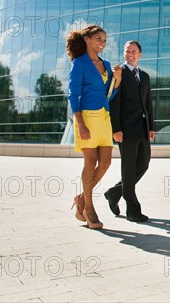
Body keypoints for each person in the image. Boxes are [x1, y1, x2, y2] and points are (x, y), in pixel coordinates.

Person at [67, 25, 122, 229]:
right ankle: (89, 207)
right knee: (90, 163)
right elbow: (73, 94)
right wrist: (79, 122)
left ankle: (80, 198)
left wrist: (117, 81)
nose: (102, 43)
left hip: (104, 117)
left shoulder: (106, 65)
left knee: (106, 162)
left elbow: (111, 95)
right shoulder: (79, 64)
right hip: (87, 118)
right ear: (87, 39)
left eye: (105, 40)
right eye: (99, 38)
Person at [104, 40, 155, 223]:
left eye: (133, 51)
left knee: (143, 164)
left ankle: (114, 192)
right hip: (125, 130)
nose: (130, 54)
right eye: (127, 51)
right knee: (128, 168)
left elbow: (148, 103)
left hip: (142, 128)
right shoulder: (118, 73)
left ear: (140, 54)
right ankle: (132, 210)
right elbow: (113, 101)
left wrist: (151, 126)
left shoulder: (145, 77)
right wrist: (115, 128)